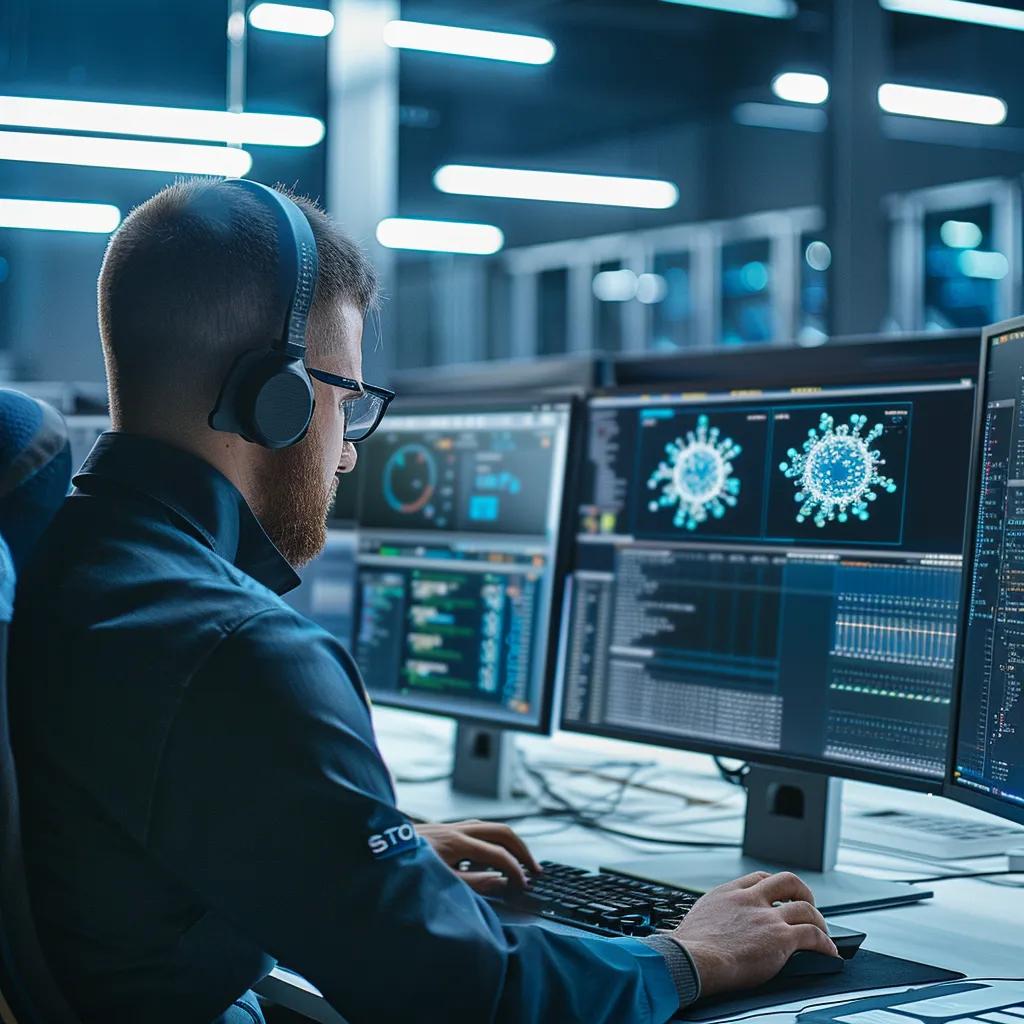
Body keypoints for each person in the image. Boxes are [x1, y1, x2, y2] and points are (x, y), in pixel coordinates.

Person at [9, 179, 837, 1024]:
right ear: (277, 396)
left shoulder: (64, 566)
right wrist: (691, 956)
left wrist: (354, 865)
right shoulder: (239, 650)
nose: (346, 458)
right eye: (348, 400)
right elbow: (469, 996)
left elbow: (126, 859)